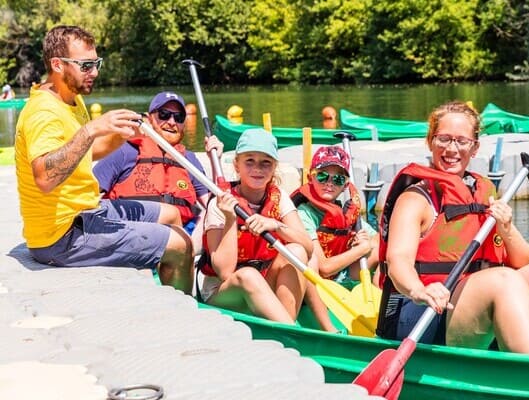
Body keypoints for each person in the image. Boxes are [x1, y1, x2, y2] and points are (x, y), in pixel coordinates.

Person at [376, 100, 529, 356]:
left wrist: (506, 228)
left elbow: (524, 261)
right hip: (424, 312)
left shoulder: (483, 192)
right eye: (444, 139)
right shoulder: (415, 199)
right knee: (503, 281)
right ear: (430, 141)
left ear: (475, 148)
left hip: (476, 301)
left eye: (461, 141)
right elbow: (398, 263)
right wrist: (419, 289)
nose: (452, 149)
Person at [14, 25, 193, 294]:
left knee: (171, 214)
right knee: (183, 246)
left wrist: (120, 136)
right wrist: (92, 129)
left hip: (84, 212)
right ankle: (182, 315)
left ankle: (165, 286)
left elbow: (84, 152)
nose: (94, 72)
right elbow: (44, 177)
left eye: (96, 63)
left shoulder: (70, 99)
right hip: (61, 237)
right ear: (58, 65)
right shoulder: (43, 113)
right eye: (86, 65)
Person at [198, 128, 315, 325]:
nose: (257, 169)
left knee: (296, 251)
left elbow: (308, 247)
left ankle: (285, 323)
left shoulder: (279, 197)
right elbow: (225, 272)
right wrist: (230, 219)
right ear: (237, 165)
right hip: (225, 292)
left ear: (274, 167)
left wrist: (276, 226)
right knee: (248, 276)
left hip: (264, 282)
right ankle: (290, 330)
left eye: (265, 163)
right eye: (249, 161)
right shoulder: (220, 204)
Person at [93, 91, 224, 252]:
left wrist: (215, 160)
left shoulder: (188, 158)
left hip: (179, 236)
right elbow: (90, 194)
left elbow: (216, 204)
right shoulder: (124, 150)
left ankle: (186, 260)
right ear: (148, 119)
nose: (171, 122)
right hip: (132, 234)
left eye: (179, 117)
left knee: (209, 214)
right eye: (164, 114)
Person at [292, 145, 379, 289]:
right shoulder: (303, 214)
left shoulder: (347, 213)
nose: (329, 183)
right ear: (310, 178)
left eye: (338, 179)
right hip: (317, 282)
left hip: (342, 277)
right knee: (369, 247)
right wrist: (360, 249)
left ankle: (384, 302)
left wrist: (362, 241)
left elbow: (376, 239)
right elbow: (324, 268)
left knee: (381, 247)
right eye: (322, 176)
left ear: (345, 185)